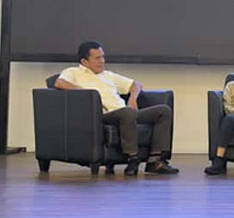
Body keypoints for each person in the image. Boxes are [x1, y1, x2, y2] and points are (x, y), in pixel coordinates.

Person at [54, 41, 179, 176]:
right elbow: (59, 83)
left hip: (126, 113)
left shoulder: (108, 75)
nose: (102, 61)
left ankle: (155, 161)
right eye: (97, 58)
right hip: (102, 116)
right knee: (127, 113)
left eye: (103, 56)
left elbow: (136, 84)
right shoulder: (73, 72)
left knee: (163, 111)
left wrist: (132, 99)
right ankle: (132, 158)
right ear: (84, 61)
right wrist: (90, 94)